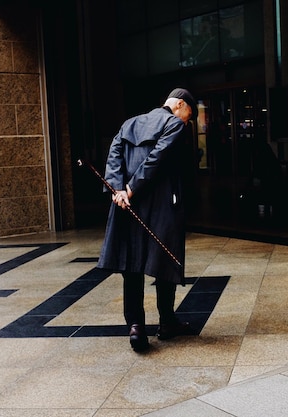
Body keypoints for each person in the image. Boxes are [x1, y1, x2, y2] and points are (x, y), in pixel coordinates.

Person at [97, 88, 197, 352]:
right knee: (165, 259)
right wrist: (128, 189)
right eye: (190, 114)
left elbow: (114, 156)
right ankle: (166, 323)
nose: (188, 121)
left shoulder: (129, 123)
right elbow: (157, 159)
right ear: (180, 104)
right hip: (161, 204)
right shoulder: (174, 124)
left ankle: (136, 326)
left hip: (127, 204)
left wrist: (118, 189)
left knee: (132, 265)